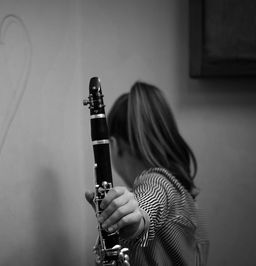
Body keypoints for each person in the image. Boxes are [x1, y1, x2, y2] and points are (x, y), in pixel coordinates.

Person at [85, 81, 209, 265]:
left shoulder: (157, 182)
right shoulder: (181, 192)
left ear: (115, 145)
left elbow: (149, 204)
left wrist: (136, 221)